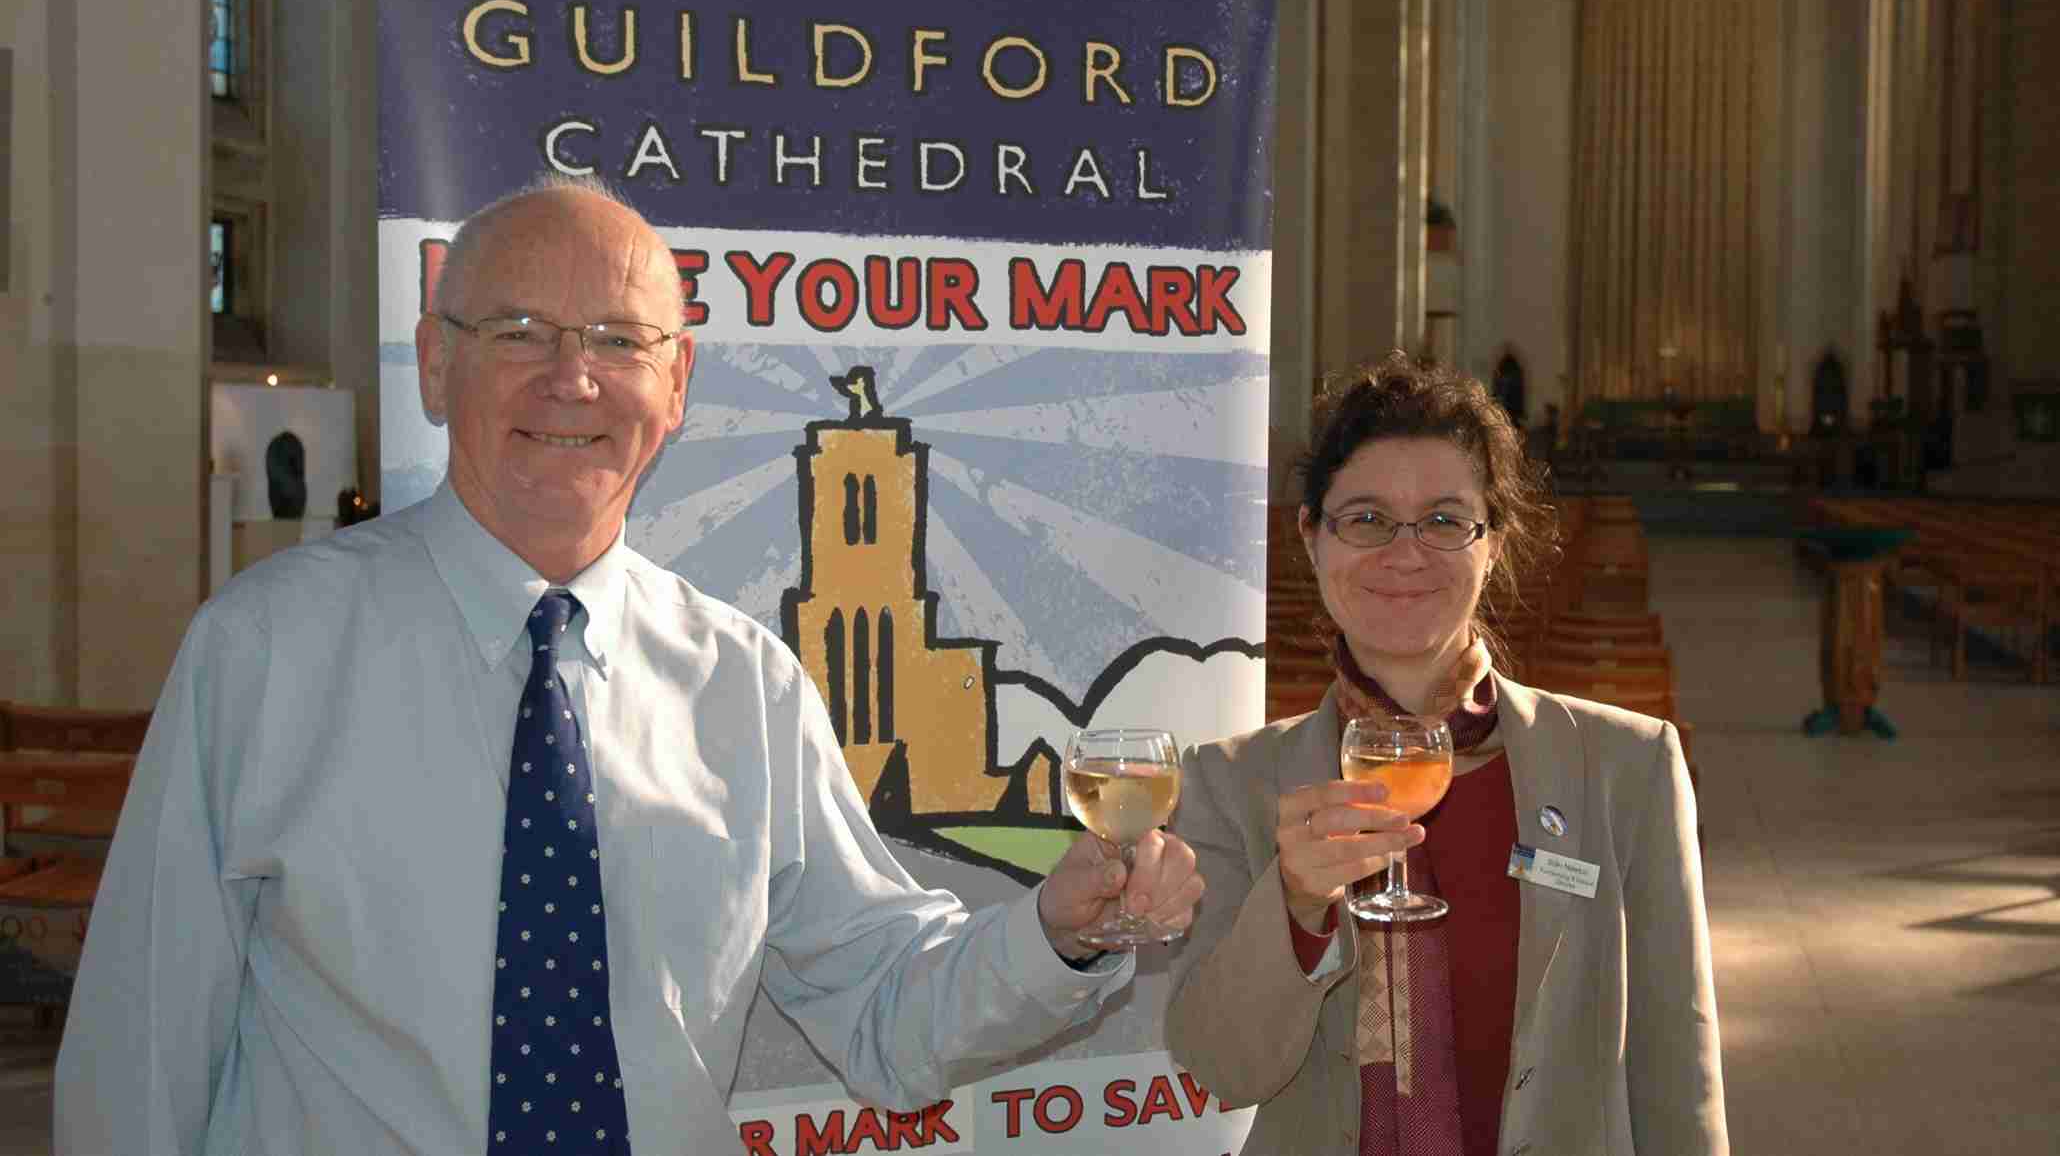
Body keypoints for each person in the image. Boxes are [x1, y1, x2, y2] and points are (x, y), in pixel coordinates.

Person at [55, 178, 1201, 1154]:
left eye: (617, 338)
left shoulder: (743, 686)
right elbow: (144, 1047)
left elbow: (888, 1014)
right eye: (516, 329)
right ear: (435, 366)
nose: (573, 376)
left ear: (677, 383)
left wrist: (1059, 927)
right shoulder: (267, 648)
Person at [1165, 353, 1725, 1156]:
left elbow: (1679, 1063)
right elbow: (1225, 1069)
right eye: (1364, 519)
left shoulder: (1625, 766)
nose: (1405, 554)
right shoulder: (1226, 782)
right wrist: (1290, 903)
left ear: (1492, 542)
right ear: (1311, 537)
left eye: (1444, 520)